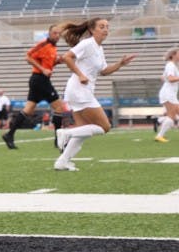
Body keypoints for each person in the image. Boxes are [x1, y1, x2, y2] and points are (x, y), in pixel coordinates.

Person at [53, 18, 136, 171]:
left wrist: (120, 64)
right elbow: (67, 57)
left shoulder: (99, 48)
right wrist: (80, 75)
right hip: (79, 90)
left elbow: (104, 71)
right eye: (101, 27)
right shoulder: (87, 44)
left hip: (80, 91)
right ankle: (65, 133)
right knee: (104, 127)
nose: (105, 29)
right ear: (92, 30)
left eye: (107, 27)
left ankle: (62, 161)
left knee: (84, 130)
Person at [3, 24, 70, 150]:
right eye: (54, 33)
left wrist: (57, 62)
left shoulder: (52, 48)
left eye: (58, 34)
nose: (57, 35)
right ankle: (58, 139)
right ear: (49, 33)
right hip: (40, 80)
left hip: (38, 80)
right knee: (59, 107)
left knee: (28, 110)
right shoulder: (44, 44)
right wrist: (43, 69)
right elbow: (28, 57)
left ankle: (9, 134)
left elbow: (47, 64)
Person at [154, 47, 179, 143]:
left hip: (169, 93)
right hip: (168, 94)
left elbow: (163, 78)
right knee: (171, 116)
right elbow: (171, 79)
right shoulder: (171, 65)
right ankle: (159, 136)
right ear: (173, 55)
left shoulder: (171, 65)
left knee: (173, 116)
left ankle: (159, 122)